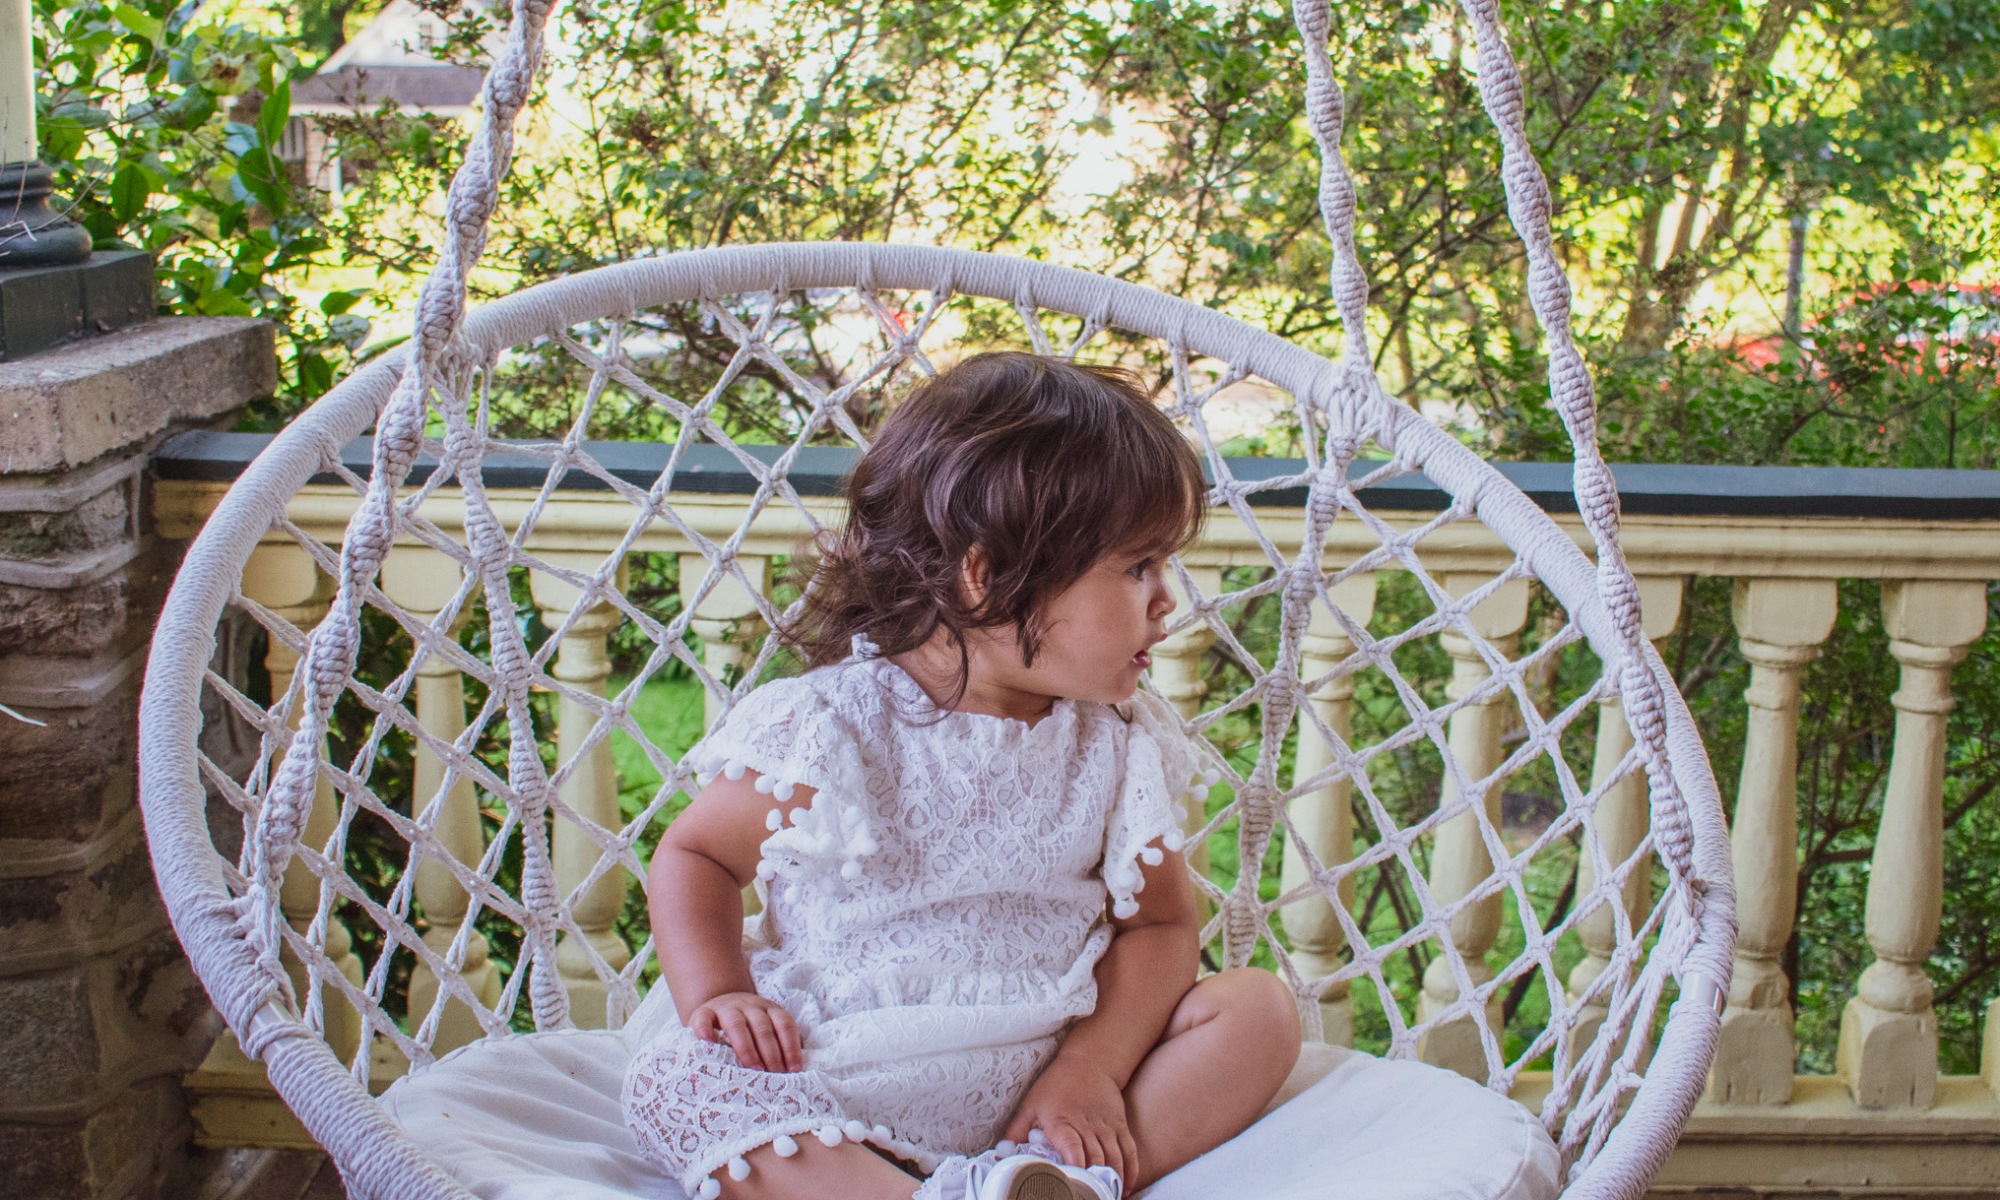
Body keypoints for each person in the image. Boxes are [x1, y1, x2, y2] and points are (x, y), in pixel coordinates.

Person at [621, 352, 1301, 1200]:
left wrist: (1089, 1071)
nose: (1166, 599)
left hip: (1043, 1070)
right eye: (1138, 567)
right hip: (843, 1063)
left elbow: (1161, 928)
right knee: (677, 1081)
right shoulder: (832, 722)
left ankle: (1057, 1181)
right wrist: (720, 993)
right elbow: (696, 856)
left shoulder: (1118, 741)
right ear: (988, 580)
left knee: (1258, 1011)